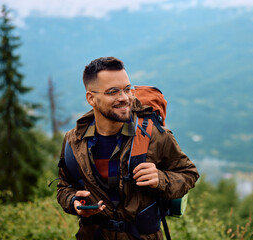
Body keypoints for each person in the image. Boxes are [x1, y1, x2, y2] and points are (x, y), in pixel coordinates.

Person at [56, 56, 199, 240]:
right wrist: (74, 201)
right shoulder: (74, 140)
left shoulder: (153, 134)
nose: (124, 98)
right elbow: (64, 187)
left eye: (127, 89)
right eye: (113, 92)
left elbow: (189, 174)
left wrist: (161, 179)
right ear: (91, 98)